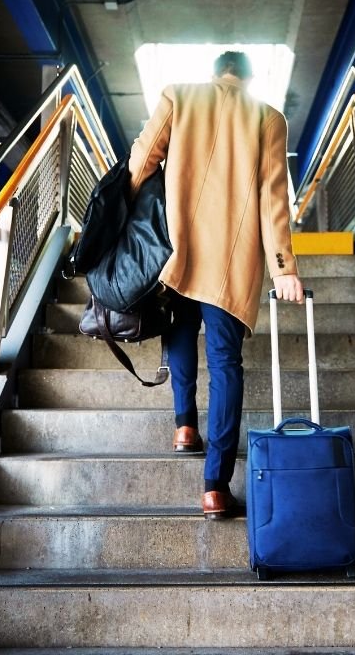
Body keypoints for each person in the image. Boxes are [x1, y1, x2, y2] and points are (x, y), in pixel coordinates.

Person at [127, 50, 303, 519]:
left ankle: (184, 424)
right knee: (226, 363)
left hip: (176, 248)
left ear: (215, 75)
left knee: (180, 331)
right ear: (248, 79)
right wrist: (283, 266)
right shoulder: (268, 118)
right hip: (230, 256)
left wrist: (125, 213)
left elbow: (143, 158)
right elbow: (273, 200)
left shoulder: (178, 96)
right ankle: (214, 487)